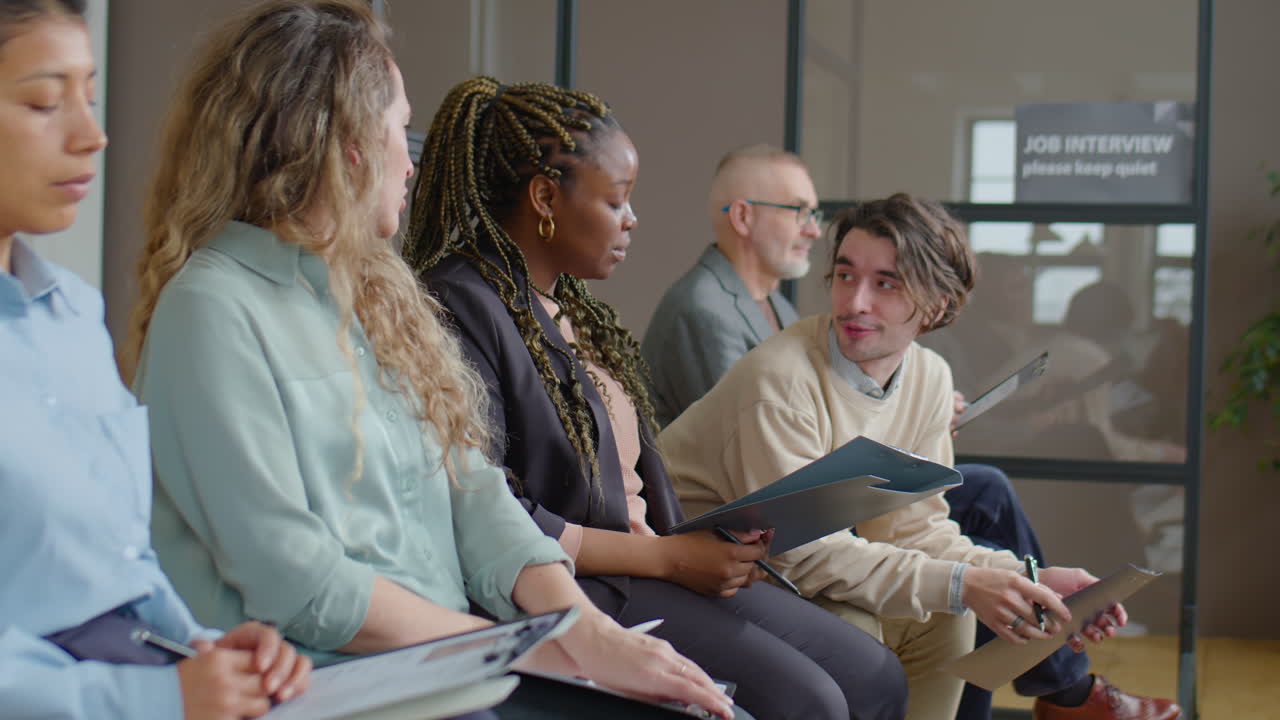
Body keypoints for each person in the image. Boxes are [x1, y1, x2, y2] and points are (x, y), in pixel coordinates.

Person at [125, 3, 731, 719]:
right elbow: (299, 582)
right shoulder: (212, 308)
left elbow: (477, 495)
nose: (411, 160)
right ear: (346, 145)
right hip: (336, 686)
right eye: (395, 132)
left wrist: (588, 634)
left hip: (444, 665)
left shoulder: (381, 294)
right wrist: (528, 645)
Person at [403, 78, 906, 720]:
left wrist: (703, 544)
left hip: (651, 564)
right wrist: (667, 558)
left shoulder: (573, 308)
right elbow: (495, 513)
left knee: (876, 676)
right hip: (581, 586)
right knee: (811, 704)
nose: (633, 219)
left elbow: (631, 486)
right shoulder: (459, 304)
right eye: (618, 201)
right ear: (545, 197)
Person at [659, 194, 1182, 720]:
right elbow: (803, 554)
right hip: (705, 572)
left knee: (947, 614)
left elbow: (915, 531)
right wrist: (966, 584)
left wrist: (1031, 579)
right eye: (845, 276)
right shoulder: (781, 380)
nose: (855, 301)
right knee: (871, 629)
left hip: (788, 565)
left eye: (885, 283)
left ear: (935, 306)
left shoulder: (929, 377)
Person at [0, 1, 311, 718]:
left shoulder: (74, 317)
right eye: (45, 102)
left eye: (91, 96)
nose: (92, 135)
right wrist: (151, 698)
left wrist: (205, 650)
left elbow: (117, 561)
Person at [640, 144, 817, 428]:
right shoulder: (703, 310)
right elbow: (746, 438)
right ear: (743, 217)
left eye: (813, 214)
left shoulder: (781, 307)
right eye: (799, 211)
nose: (813, 230)